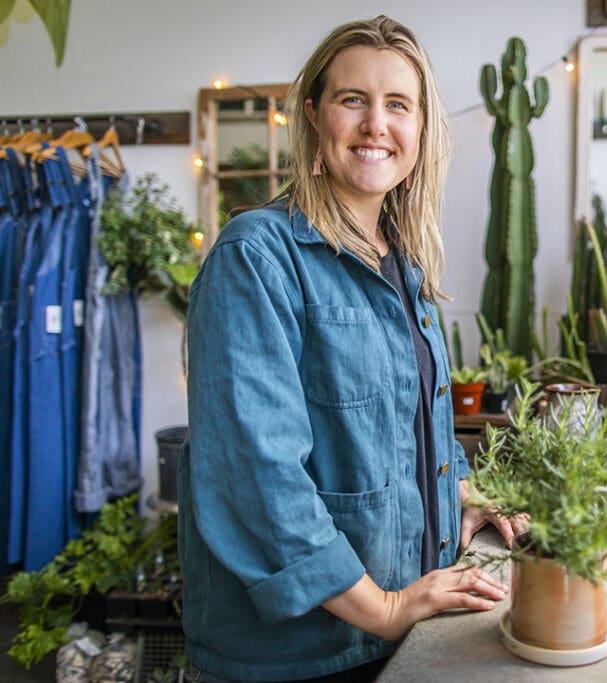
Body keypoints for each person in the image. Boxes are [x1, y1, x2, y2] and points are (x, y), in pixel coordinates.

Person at [179, 16, 523, 682]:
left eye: (398, 104)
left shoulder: (404, 265)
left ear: (421, 129)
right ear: (314, 115)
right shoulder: (256, 256)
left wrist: (452, 497)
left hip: (390, 639)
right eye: (352, 100)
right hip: (298, 656)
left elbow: (397, 430)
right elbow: (258, 474)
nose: (376, 124)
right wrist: (386, 606)